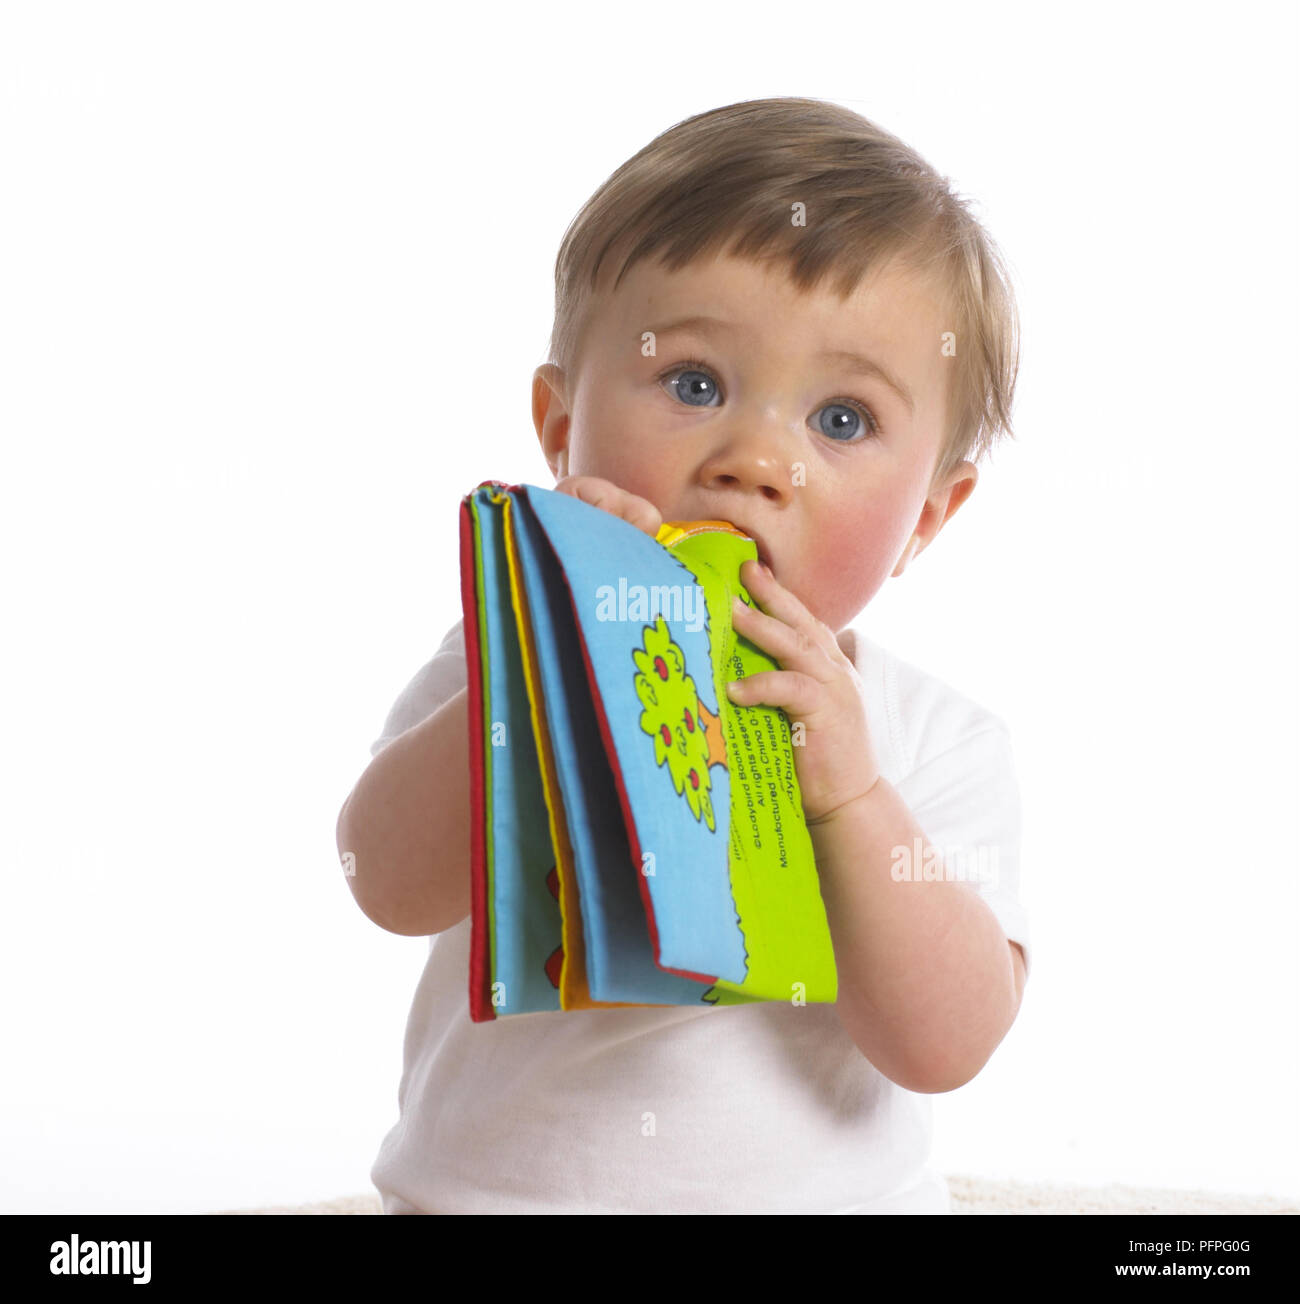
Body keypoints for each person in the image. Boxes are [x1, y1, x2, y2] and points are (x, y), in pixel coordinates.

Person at [337, 97, 1031, 1214]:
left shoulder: (932, 738)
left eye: (841, 420)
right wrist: (535, 663)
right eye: (695, 383)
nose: (754, 459)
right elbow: (385, 880)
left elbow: (946, 1041)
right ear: (560, 427)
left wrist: (850, 797)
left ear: (925, 521)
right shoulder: (512, 642)